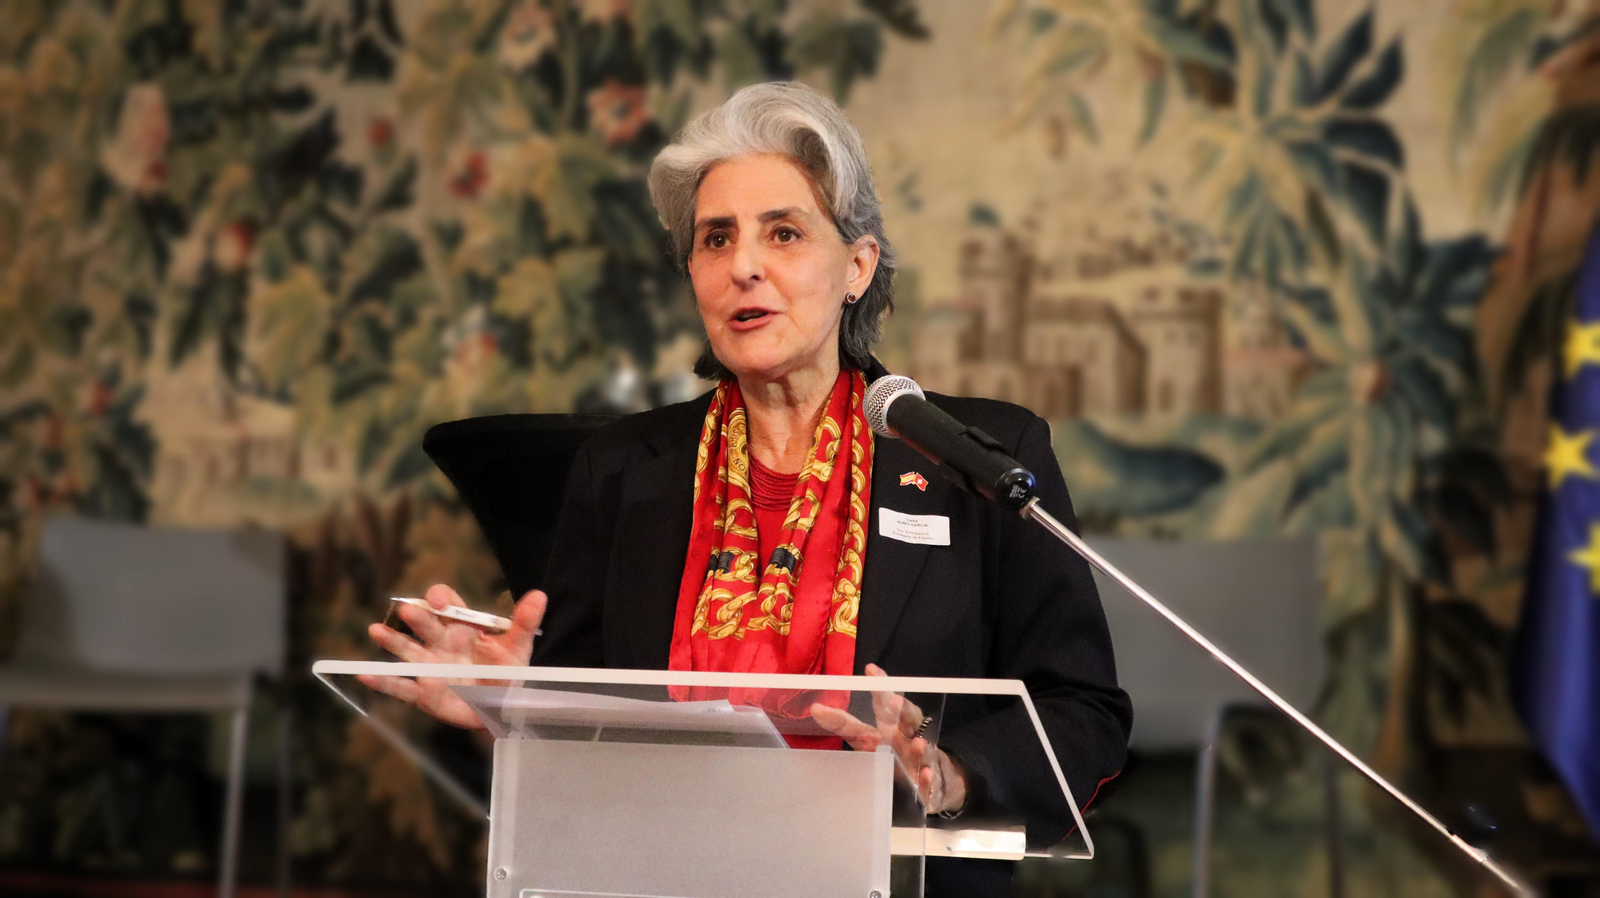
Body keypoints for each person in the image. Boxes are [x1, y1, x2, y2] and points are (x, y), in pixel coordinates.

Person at [365, 80, 1132, 897]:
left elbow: (1082, 712)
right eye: (716, 239)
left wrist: (947, 772)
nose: (745, 267)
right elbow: (582, 732)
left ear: (857, 267)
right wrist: (511, 706)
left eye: (785, 233)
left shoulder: (973, 457)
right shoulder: (625, 468)